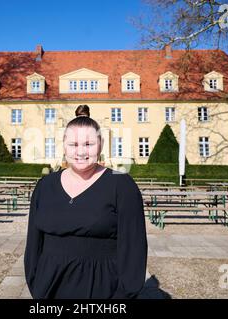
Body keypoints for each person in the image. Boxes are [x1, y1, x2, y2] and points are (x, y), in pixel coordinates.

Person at [24, 104, 147, 299]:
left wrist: (122, 296)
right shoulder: (45, 186)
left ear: (101, 144)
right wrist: (36, 283)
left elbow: (134, 248)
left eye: (88, 144)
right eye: (73, 144)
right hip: (49, 288)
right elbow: (33, 244)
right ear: (64, 145)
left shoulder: (122, 185)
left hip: (102, 288)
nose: (80, 152)